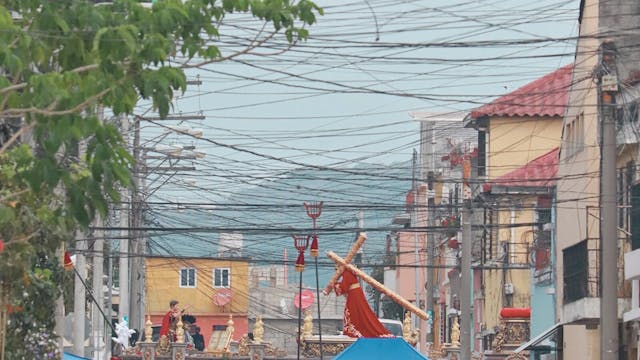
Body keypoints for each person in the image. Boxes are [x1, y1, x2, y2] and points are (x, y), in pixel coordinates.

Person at [333, 267, 393, 338]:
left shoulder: (347, 273)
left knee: (353, 312)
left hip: (354, 295)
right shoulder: (348, 273)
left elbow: (344, 287)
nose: (337, 273)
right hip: (354, 294)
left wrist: (334, 283)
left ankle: (356, 330)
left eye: (337, 270)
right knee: (358, 312)